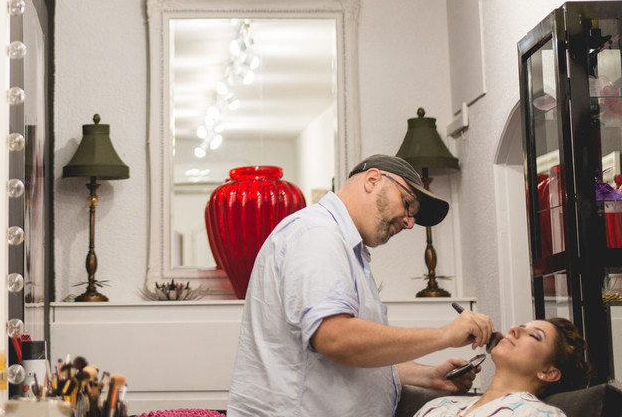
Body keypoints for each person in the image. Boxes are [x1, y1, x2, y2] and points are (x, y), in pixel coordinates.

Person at [227, 154, 497, 417]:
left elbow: (346, 362)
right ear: (372, 180)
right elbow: (337, 339)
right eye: (406, 203)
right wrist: (444, 336)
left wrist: (428, 375)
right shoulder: (317, 236)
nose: (410, 222)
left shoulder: (344, 246)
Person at [411, 317, 592, 417]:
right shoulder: (440, 406)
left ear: (548, 373)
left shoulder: (537, 414)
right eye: (521, 326)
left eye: (534, 336)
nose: (513, 328)